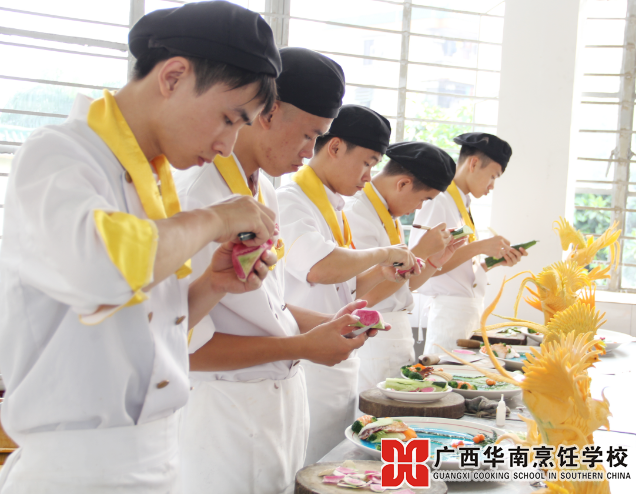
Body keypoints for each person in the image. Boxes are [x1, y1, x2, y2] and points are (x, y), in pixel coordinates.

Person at [0, 2, 282, 493]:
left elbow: (145, 337)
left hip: (159, 454)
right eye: (228, 119)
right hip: (78, 471)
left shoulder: (150, 179)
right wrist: (214, 218)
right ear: (173, 77)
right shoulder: (59, 155)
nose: (227, 144)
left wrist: (214, 285)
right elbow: (102, 268)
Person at [174, 48, 372, 494]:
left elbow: (267, 306)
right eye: (308, 135)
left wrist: (327, 324)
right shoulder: (198, 197)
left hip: (276, 404)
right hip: (222, 412)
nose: (309, 152)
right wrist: (302, 345)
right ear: (269, 112)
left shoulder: (264, 189)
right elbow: (185, 346)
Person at [277, 105, 420, 465]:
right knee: (312, 464)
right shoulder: (290, 201)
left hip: (338, 352)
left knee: (335, 461)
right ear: (336, 147)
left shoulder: (335, 208)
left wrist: (381, 273)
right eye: (367, 163)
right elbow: (319, 267)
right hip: (309, 354)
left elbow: (344, 283)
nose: (368, 177)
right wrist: (384, 254)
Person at [345, 141, 465, 394]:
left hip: (395, 332)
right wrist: (420, 251)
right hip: (374, 334)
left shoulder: (387, 214)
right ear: (403, 184)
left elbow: (403, 286)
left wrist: (434, 260)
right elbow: (364, 294)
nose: (419, 208)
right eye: (423, 199)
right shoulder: (357, 214)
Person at [409, 132, 528, 355]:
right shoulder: (438, 200)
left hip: (467, 310)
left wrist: (491, 262)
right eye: (493, 176)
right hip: (450, 312)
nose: (492, 186)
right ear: (473, 164)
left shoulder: (462, 204)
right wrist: (480, 247)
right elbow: (423, 264)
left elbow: (459, 267)